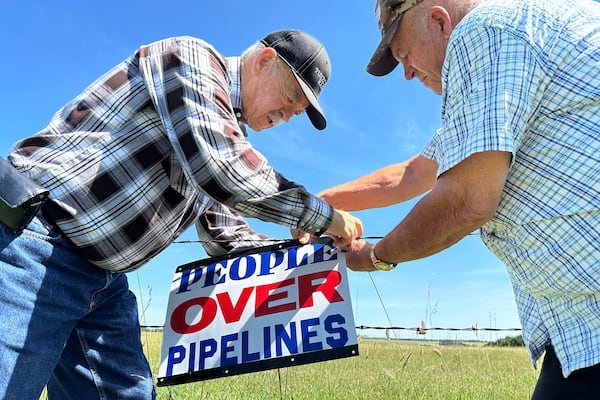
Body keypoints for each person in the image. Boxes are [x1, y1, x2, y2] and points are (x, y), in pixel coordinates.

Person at [0, 30, 362, 400]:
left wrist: (312, 258)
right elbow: (224, 170)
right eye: (289, 99)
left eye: (296, 114)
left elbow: (229, 237)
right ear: (264, 60)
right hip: (36, 245)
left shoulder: (218, 136)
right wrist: (326, 217)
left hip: (103, 283)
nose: (285, 117)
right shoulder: (193, 59)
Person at [313, 0, 600, 398]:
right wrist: (318, 203)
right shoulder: (511, 57)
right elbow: (413, 174)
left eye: (405, 55)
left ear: (439, 21)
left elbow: (466, 201)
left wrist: (377, 256)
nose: (408, 74)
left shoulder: (484, 30)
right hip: (581, 328)